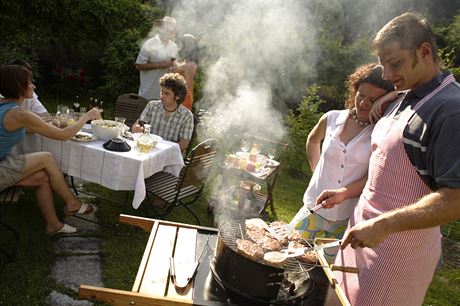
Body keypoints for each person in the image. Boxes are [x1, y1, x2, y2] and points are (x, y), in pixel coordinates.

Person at [322, 12, 460, 305]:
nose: (385, 75)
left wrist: (384, 225)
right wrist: (348, 192)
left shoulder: (451, 111)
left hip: (395, 254)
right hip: (359, 234)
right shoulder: (406, 96)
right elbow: (385, 168)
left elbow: (455, 199)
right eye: (383, 64)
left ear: (424, 52)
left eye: (394, 63)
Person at [289, 64, 395, 261]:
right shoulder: (331, 118)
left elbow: (371, 176)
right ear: (354, 90)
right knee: (286, 255)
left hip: (345, 220)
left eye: (373, 100)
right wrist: (316, 172)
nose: (364, 103)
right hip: (313, 207)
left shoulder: (381, 133)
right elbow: (313, 140)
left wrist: (392, 96)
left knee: (322, 273)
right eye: (361, 95)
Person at [0, 65, 101, 235]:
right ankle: (72, 203)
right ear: (19, 86)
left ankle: (53, 225)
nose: (34, 86)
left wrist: (44, 124)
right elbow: (63, 136)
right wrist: (86, 117)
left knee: (42, 178)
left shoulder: (5, 107)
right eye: (30, 82)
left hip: (3, 163)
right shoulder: (19, 114)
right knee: (46, 158)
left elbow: (18, 128)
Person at [132, 73, 194, 152]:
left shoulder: (187, 116)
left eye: (167, 93)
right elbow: (137, 124)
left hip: (170, 156)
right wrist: (136, 128)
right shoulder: (152, 105)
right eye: (161, 92)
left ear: (178, 96)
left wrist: (164, 152)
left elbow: (184, 143)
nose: (162, 96)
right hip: (148, 149)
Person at [135, 16, 178, 101]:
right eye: (168, 29)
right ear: (161, 28)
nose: (171, 32)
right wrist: (159, 65)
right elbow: (138, 65)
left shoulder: (174, 46)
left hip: (166, 94)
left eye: (172, 30)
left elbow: (174, 67)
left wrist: (175, 67)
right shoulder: (149, 44)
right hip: (148, 94)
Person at [175, 34, 198, 111]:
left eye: (180, 43)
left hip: (183, 99)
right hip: (177, 97)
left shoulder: (190, 65)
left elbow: (187, 86)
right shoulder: (184, 62)